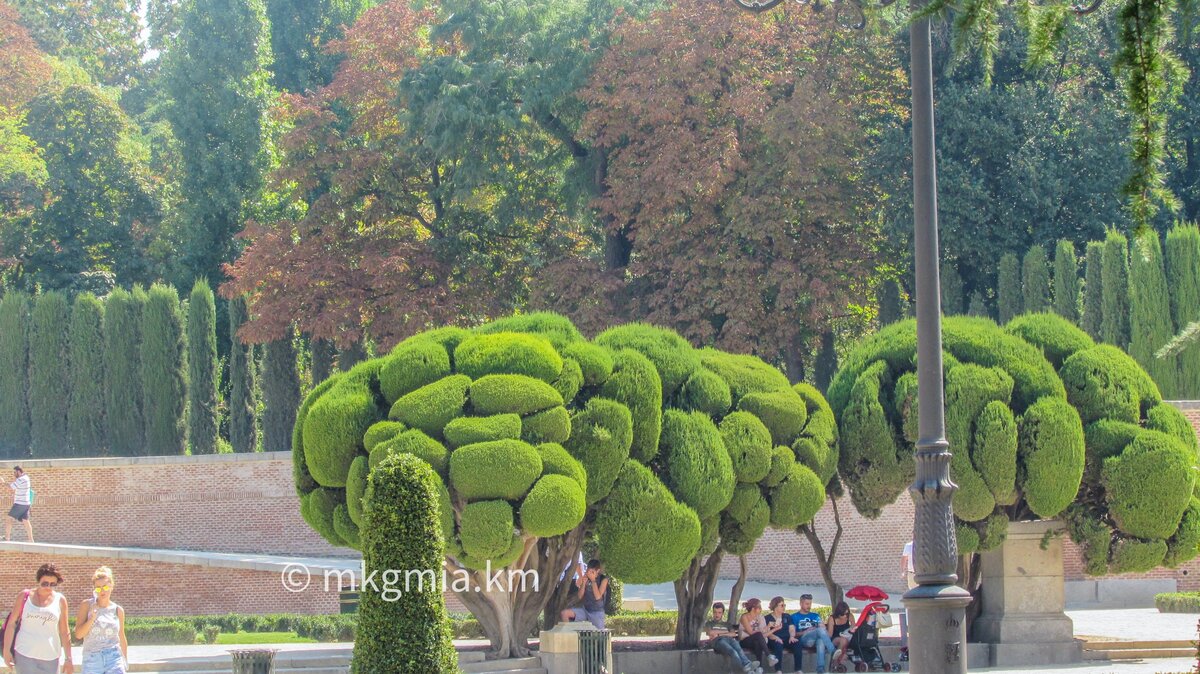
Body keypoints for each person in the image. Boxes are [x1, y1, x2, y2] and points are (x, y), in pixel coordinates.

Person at [2, 563, 74, 674]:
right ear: (38, 581)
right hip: (24, 654)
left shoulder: (60, 600)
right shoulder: (24, 596)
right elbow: (11, 624)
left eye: (53, 584)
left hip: (51, 657)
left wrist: (68, 658)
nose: (48, 587)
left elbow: (64, 631)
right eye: (45, 583)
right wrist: (6, 650)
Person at [75, 566, 128, 674]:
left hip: (114, 658)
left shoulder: (118, 610)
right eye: (98, 588)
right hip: (92, 658)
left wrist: (125, 659)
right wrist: (92, 618)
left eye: (105, 587)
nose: (102, 591)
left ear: (111, 586)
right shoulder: (87, 605)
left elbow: (121, 636)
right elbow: (79, 635)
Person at [704, 602, 762, 674]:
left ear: (722, 613)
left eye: (719, 612)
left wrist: (718, 634)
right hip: (718, 642)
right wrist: (725, 632)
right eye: (715, 612)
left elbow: (733, 634)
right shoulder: (709, 623)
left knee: (738, 648)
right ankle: (746, 667)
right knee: (732, 651)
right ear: (713, 612)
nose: (717, 614)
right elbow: (710, 632)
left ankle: (747, 664)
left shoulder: (727, 624)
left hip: (728, 639)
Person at [790, 593, 834, 674]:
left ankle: (820, 670)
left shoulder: (816, 616)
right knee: (819, 631)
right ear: (801, 603)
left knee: (820, 640)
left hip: (817, 638)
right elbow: (793, 634)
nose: (809, 606)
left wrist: (822, 627)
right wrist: (805, 631)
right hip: (804, 639)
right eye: (807, 604)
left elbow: (823, 630)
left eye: (810, 603)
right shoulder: (794, 617)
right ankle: (832, 650)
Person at [560, 559, 608, 629]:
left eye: (592, 572)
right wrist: (583, 583)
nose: (589, 573)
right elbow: (580, 596)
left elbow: (598, 597)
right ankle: (570, 635)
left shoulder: (603, 579)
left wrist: (593, 581)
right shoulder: (586, 577)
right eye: (588, 571)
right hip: (585, 610)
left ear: (597, 571)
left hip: (596, 612)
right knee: (564, 613)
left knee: (599, 635)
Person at [763, 596, 798, 673]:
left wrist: (792, 636)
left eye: (784, 605)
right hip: (774, 639)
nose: (784, 607)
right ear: (775, 606)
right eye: (782, 605)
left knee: (797, 644)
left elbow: (792, 628)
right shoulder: (767, 618)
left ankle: (798, 670)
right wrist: (775, 637)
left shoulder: (787, 616)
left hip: (787, 638)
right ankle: (778, 670)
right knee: (778, 645)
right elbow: (767, 634)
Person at [737, 598, 774, 670]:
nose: (761, 609)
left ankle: (759, 668)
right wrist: (767, 627)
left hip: (757, 640)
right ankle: (769, 655)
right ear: (753, 608)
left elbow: (763, 633)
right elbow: (750, 632)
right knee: (758, 635)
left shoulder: (760, 617)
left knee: (757, 642)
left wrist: (770, 628)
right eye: (759, 607)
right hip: (745, 640)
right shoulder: (744, 617)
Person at [6, 466, 33, 543]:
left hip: (20, 504)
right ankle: (31, 540)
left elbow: (11, 487)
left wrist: (2, 482)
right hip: (26, 503)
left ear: (19, 471)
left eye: (15, 472)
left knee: (9, 519)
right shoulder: (26, 477)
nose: (14, 474)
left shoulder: (21, 479)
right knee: (26, 521)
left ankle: (7, 538)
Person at [825, 601, 854, 668]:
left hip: (847, 636)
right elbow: (830, 634)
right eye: (843, 614)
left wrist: (851, 630)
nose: (845, 616)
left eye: (846, 614)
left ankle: (839, 660)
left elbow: (853, 628)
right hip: (835, 638)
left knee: (847, 640)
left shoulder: (849, 616)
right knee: (843, 640)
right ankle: (835, 660)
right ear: (838, 613)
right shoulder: (832, 619)